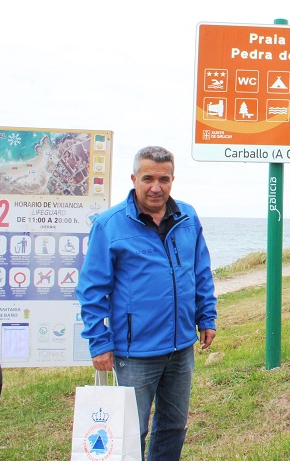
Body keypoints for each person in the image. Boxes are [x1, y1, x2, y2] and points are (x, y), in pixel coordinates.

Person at [77, 146, 217, 460]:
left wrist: (206, 316)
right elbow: (91, 290)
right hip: (135, 351)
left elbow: (201, 272)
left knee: (174, 425)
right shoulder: (109, 225)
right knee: (130, 430)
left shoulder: (188, 218)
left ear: (172, 179)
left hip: (181, 347)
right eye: (148, 178)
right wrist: (99, 343)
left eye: (164, 179)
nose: (156, 187)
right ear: (134, 179)